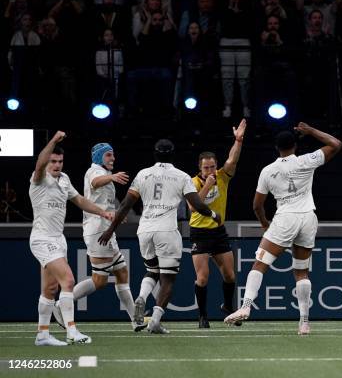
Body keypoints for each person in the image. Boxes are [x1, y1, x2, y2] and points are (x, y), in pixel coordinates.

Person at [223, 123, 342, 334]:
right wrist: (312, 131)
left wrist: (264, 224)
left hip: (285, 218)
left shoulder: (268, 171)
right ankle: (304, 322)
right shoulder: (307, 160)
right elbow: (335, 144)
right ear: (295, 145)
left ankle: (246, 306)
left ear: (276, 148)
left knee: (260, 263)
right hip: (308, 217)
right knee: (301, 271)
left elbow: (256, 205)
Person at [99, 139, 221, 334]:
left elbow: (125, 206)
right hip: (167, 231)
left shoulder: (143, 174)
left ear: (154, 155)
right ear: (173, 155)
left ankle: (141, 296)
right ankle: (155, 321)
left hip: (145, 230)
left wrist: (110, 229)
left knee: (152, 270)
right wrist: (214, 215)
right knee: (168, 278)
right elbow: (197, 205)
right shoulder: (181, 176)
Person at [29, 131, 114, 345]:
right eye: (53, 161)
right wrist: (53, 141)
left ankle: (43, 334)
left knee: (50, 289)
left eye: (60, 161)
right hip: (42, 239)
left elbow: (80, 200)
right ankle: (71, 331)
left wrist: (101, 212)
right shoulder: (38, 178)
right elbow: (39, 164)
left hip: (58, 239)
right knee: (68, 280)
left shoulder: (65, 179)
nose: (57, 165)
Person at [52, 143, 144, 332]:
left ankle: (136, 319)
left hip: (107, 229)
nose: (113, 158)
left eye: (113, 155)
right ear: (100, 157)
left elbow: (101, 201)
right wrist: (112, 176)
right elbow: (95, 182)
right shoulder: (93, 171)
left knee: (122, 272)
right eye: (109, 155)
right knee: (99, 280)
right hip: (97, 231)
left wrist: (115, 215)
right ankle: (61, 304)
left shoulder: (101, 172)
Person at [190, 119, 246, 328]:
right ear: (200, 168)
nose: (210, 171)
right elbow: (195, 206)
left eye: (212, 166)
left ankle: (228, 308)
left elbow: (233, 159)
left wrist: (238, 141)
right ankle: (203, 316)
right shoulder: (193, 182)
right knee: (202, 278)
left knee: (230, 275)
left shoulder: (222, 176)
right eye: (206, 168)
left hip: (219, 232)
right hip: (200, 233)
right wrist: (208, 185)